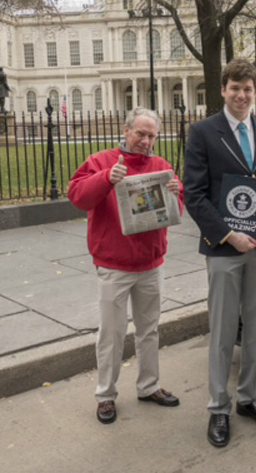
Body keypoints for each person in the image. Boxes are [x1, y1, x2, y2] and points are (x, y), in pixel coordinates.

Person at [183, 58, 256, 449]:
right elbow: (193, 194)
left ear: (254, 92)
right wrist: (229, 235)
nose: (242, 95)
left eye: (248, 89)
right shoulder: (203, 132)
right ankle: (218, 407)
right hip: (225, 248)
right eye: (235, 88)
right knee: (223, 331)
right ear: (223, 90)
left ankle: (249, 399)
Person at [68, 107, 184, 425]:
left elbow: (176, 210)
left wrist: (177, 193)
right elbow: (77, 196)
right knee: (112, 334)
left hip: (150, 263)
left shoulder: (161, 166)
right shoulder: (102, 161)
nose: (145, 141)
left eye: (151, 136)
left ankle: (149, 386)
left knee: (149, 330)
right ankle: (106, 395)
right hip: (114, 265)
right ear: (126, 130)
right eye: (140, 134)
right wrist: (106, 178)